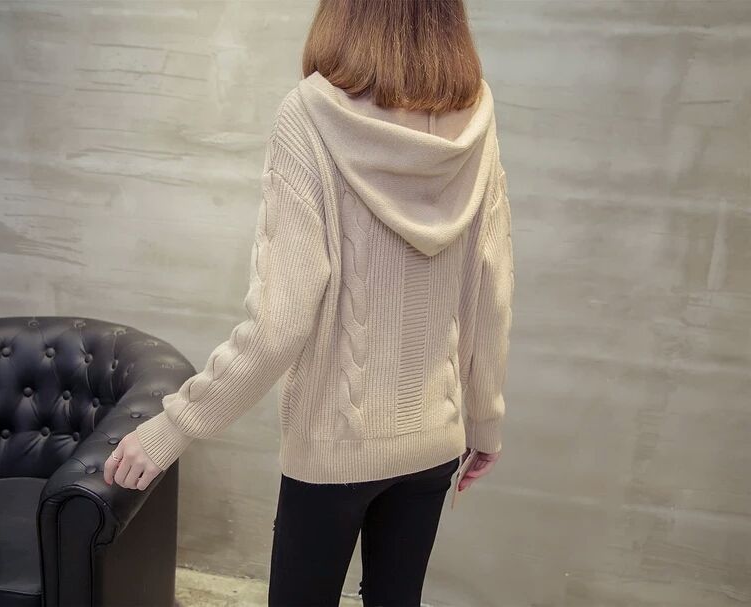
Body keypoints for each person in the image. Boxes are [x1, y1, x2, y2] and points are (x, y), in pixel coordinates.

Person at [103, 0, 514, 604]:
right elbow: (490, 287)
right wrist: (484, 419)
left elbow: (278, 326)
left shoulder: (307, 116)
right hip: (434, 439)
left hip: (332, 449)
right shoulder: (476, 116)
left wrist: (171, 428)